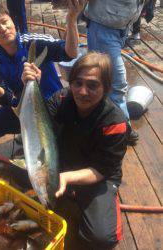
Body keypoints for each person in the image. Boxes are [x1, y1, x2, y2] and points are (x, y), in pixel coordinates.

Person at [22, 52, 128, 249]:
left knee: (102, 238)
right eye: (77, 83)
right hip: (61, 165)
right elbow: (35, 124)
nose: (83, 91)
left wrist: (67, 178)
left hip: (96, 177)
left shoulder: (115, 122)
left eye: (93, 85)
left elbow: (102, 170)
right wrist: (29, 84)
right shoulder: (61, 99)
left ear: (106, 87)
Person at [0, 1, 83, 137]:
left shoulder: (35, 42)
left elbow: (70, 53)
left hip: (55, 103)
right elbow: (7, 100)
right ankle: (30, 130)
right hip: (26, 107)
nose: (3, 29)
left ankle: (53, 131)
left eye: (5, 22)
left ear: (13, 22)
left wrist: (72, 19)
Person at [84, 0, 144, 145]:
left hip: (123, 25)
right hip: (104, 27)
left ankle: (102, 121)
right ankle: (123, 128)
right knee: (117, 84)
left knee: (102, 79)